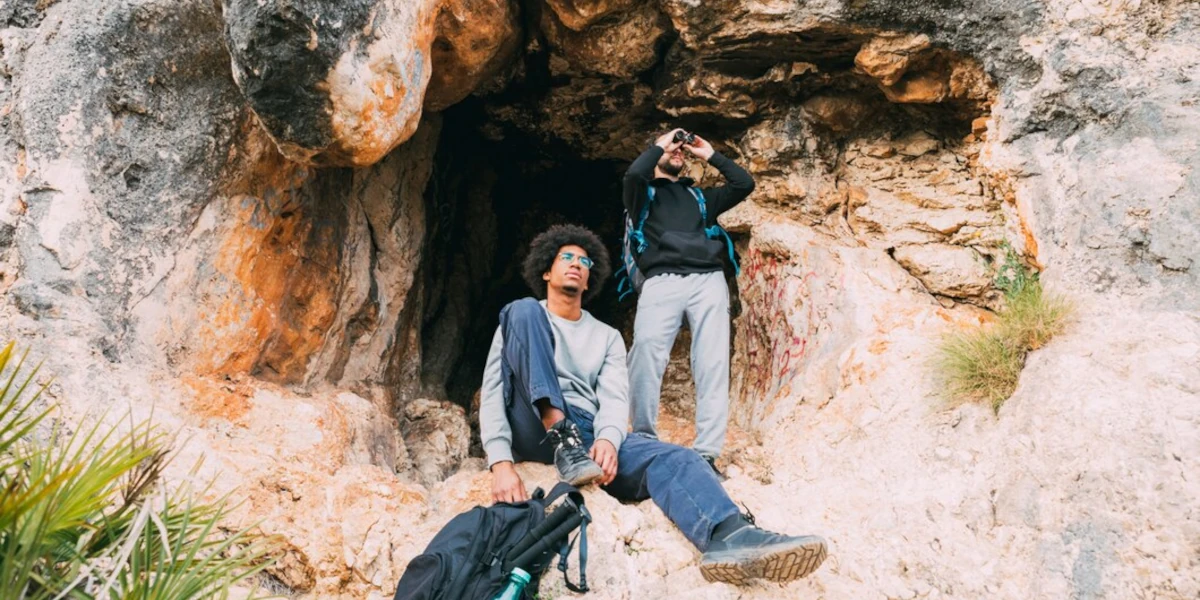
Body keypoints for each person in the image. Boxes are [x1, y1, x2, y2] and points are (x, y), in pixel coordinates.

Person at [479, 224, 826, 584]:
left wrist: (609, 441)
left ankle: (730, 536)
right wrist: (500, 463)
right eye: (566, 257)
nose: (576, 264)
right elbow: (493, 392)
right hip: (532, 421)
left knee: (677, 457)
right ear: (546, 271)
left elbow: (614, 398)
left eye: (584, 262)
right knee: (520, 310)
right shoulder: (519, 319)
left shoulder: (607, 336)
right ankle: (560, 435)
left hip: (587, 431)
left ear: (588, 282)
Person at [623, 128, 756, 471]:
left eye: (681, 149)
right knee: (646, 352)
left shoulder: (699, 198)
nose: (678, 151)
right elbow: (635, 173)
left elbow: (744, 185)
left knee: (712, 361)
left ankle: (707, 452)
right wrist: (663, 144)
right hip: (661, 279)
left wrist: (708, 153)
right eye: (672, 148)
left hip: (707, 279)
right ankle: (643, 438)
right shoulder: (641, 194)